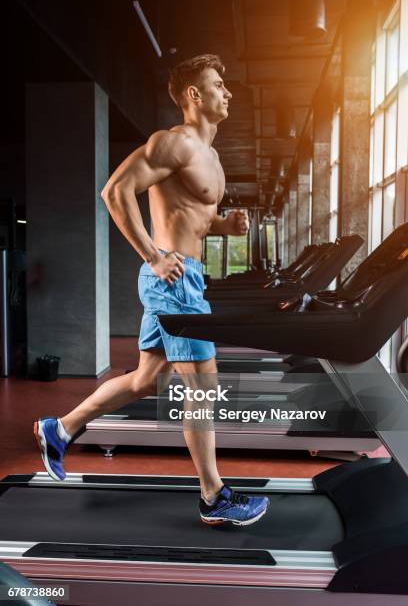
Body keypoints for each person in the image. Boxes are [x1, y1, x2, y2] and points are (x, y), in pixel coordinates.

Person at [34, 54, 269, 526]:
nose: (228, 93)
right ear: (194, 95)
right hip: (173, 280)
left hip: (188, 278)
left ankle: (60, 428)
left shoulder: (213, 156)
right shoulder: (174, 143)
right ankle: (213, 497)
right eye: (218, 85)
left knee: (146, 380)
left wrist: (226, 224)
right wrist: (153, 256)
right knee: (202, 385)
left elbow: (193, 217)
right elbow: (115, 191)